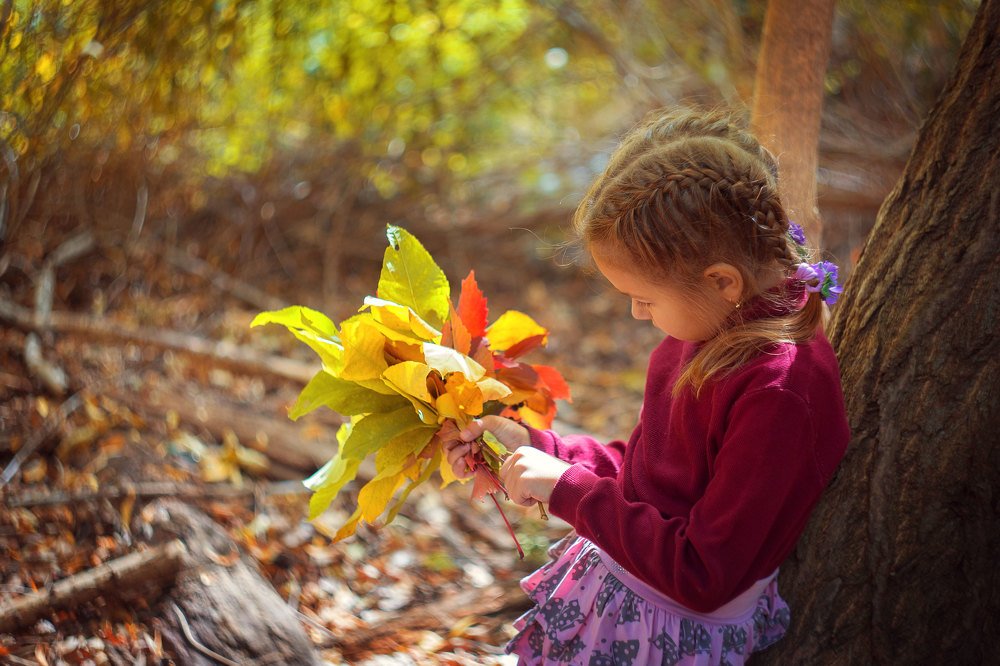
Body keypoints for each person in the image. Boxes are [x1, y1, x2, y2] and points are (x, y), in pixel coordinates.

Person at [443, 107, 850, 665]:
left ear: (722, 281)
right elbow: (651, 476)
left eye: (645, 299)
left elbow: (703, 573)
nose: (637, 315)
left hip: (664, 635)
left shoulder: (777, 394)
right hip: (627, 603)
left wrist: (568, 489)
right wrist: (538, 450)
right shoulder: (705, 333)